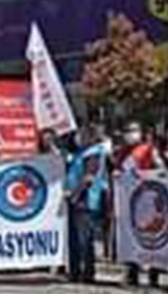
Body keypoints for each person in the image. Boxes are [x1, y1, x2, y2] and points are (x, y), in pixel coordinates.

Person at [112, 122, 156, 285]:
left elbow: (160, 169)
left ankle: (153, 274)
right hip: (126, 200)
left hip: (145, 199)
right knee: (129, 237)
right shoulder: (122, 152)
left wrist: (144, 175)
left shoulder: (148, 150)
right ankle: (132, 271)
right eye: (127, 131)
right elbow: (118, 170)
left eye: (133, 131)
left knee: (149, 237)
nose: (129, 134)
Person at [66, 121, 108, 284]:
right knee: (75, 239)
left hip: (85, 200)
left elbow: (88, 177)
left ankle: (87, 272)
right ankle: (75, 272)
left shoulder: (94, 153)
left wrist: (75, 195)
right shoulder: (80, 152)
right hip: (75, 200)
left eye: (83, 135)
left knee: (84, 239)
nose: (79, 138)